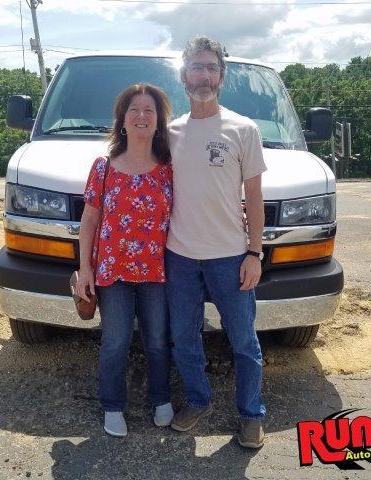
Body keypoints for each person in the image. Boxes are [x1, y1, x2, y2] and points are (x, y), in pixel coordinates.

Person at [165, 37, 267, 448]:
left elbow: (255, 197)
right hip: (180, 256)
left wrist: (255, 253)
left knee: (243, 340)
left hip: (230, 255)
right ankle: (197, 399)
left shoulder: (243, 129)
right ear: (184, 75)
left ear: (221, 77)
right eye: (195, 67)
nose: (203, 75)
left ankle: (250, 414)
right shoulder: (168, 133)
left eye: (210, 68)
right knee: (184, 337)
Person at [76, 84, 174, 437]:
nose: (142, 116)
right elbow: (89, 219)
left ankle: (161, 399)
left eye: (150, 110)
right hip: (112, 272)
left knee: (159, 340)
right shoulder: (102, 167)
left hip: (157, 272)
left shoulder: (169, 169)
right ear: (122, 120)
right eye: (134, 109)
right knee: (115, 340)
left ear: (160, 121)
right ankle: (112, 405)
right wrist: (85, 268)